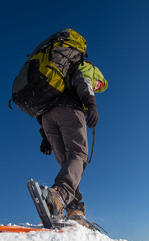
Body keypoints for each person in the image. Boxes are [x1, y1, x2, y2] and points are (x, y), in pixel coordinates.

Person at [36, 60, 108, 228]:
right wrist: (91, 105)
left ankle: (73, 209)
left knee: (67, 164)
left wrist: (45, 136)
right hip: (69, 110)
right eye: (99, 84)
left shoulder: (57, 74)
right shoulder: (86, 67)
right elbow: (83, 81)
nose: (97, 87)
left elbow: (41, 104)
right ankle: (58, 195)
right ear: (98, 76)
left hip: (47, 117)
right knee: (78, 154)